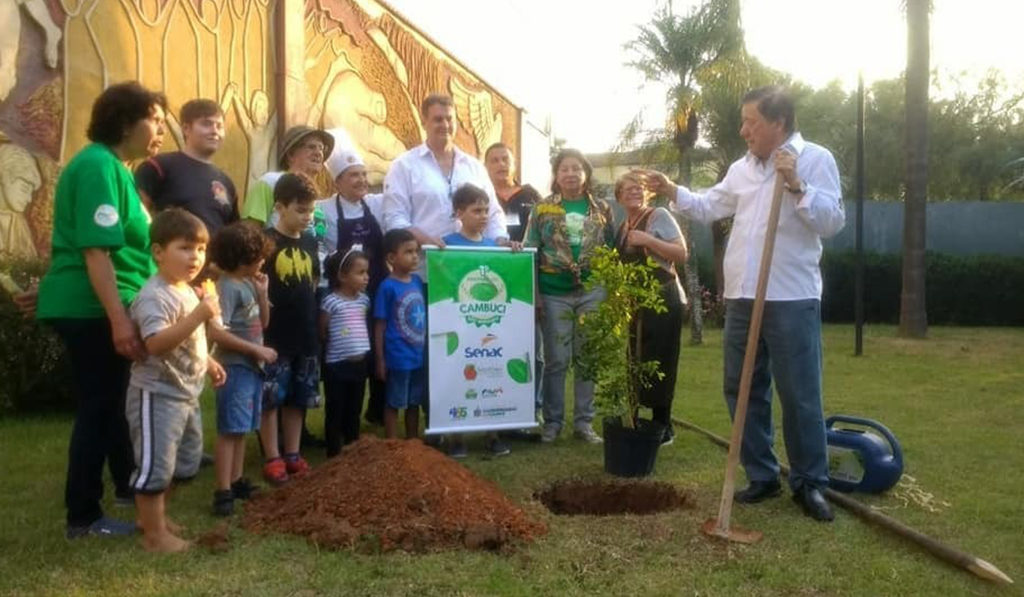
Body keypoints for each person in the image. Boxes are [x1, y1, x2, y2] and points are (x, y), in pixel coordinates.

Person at [640, 86, 846, 522]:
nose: (743, 129)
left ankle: (810, 483)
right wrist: (672, 189)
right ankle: (762, 475)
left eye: (751, 121)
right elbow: (710, 206)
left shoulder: (815, 159)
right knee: (741, 386)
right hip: (742, 294)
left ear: (779, 122)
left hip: (790, 295)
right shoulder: (742, 168)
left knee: (800, 393)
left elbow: (831, 222)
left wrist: (795, 184)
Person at [35, 81, 166, 539]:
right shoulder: (96, 166)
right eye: (155, 120)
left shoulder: (114, 168)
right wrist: (119, 319)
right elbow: (94, 251)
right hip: (95, 307)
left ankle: (128, 485)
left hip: (94, 300)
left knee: (113, 403)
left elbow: (78, 243)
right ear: (126, 121)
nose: (161, 131)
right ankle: (84, 516)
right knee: (100, 405)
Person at [382, 94, 508, 447]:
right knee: (430, 351)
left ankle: (475, 419)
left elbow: (494, 214)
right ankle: (435, 421)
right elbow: (395, 219)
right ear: (425, 121)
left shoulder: (473, 166)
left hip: (470, 275)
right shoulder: (405, 166)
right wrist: (434, 244)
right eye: (437, 119)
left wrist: (499, 248)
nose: (445, 124)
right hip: (422, 274)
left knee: (472, 346)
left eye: (450, 118)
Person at [126, 208, 226, 552]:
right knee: (156, 466)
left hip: (186, 393)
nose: (195, 256)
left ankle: (153, 517)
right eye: (185, 248)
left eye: (200, 249)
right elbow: (155, 344)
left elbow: (189, 340)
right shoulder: (155, 295)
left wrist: (208, 361)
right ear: (158, 252)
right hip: (157, 394)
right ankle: (154, 536)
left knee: (184, 462)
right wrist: (201, 313)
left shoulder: (185, 290)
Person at [523, 148, 614, 445]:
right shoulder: (542, 209)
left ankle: (584, 424)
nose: (571, 174)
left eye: (577, 168)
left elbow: (611, 252)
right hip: (553, 293)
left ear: (585, 173)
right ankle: (552, 423)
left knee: (587, 358)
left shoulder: (602, 208)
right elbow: (530, 253)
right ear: (556, 175)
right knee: (557, 360)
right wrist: (535, 294)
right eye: (565, 169)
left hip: (592, 291)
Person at [613, 172, 688, 445]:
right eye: (629, 189)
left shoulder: (659, 216)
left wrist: (647, 240)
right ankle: (635, 417)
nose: (635, 192)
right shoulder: (623, 226)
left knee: (661, 359)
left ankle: (663, 424)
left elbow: (681, 253)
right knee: (635, 358)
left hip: (663, 298)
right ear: (619, 196)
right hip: (636, 301)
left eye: (640, 189)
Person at [207, 221, 276, 516]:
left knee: (243, 427)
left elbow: (264, 323)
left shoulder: (249, 283)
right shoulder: (226, 288)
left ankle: (236, 481)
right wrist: (255, 349)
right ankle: (222, 490)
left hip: (251, 369)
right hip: (234, 367)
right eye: (257, 255)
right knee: (230, 429)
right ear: (242, 256)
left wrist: (262, 293)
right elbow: (216, 333)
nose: (262, 260)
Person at [440, 184, 513, 458]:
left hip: (489, 325)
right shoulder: (446, 245)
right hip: (458, 325)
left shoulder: (494, 246)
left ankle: (492, 435)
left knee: (490, 371)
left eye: (486, 210)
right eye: (476, 210)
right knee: (456, 374)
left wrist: (512, 251)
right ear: (460, 213)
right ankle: (455, 437)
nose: (483, 216)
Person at [318, 139, 387, 427]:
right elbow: (319, 247)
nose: (361, 180)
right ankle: (343, 415)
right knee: (348, 349)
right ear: (337, 182)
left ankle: (377, 409)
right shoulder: (323, 209)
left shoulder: (378, 204)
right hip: (343, 293)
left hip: (376, 286)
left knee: (380, 347)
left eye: (363, 174)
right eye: (353, 175)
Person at [259, 173, 322, 485]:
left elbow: (312, 282)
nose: (307, 217)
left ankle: (293, 453)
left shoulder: (311, 241)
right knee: (272, 399)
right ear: (280, 207)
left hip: (305, 334)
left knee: (298, 398)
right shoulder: (265, 243)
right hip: (275, 336)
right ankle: (272, 455)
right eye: (300, 210)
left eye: (310, 211)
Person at [135, 98, 239, 237]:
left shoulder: (226, 183)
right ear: (186, 129)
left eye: (219, 126)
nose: (215, 131)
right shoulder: (158, 167)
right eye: (206, 124)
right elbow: (135, 220)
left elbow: (232, 234)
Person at [373, 228, 425, 440]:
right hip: (398, 356)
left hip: (418, 354)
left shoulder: (417, 282)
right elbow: (380, 325)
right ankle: (392, 445)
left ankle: (413, 443)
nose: (415, 256)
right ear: (392, 257)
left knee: (413, 402)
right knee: (395, 401)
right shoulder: (387, 287)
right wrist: (380, 359)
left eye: (416, 251)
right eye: (408, 252)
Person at [320, 248, 371, 456]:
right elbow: (322, 329)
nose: (366, 277)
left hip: (359, 364)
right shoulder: (331, 301)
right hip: (337, 364)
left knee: (354, 407)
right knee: (336, 408)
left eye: (367, 272)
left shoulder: (364, 300)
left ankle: (352, 446)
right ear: (342, 276)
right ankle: (333, 450)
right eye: (360, 273)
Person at [240, 125, 334, 226]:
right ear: (290, 155)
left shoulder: (316, 195)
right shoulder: (270, 182)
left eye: (321, 148)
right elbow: (250, 230)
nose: (318, 153)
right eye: (311, 147)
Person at [484, 142, 541, 243]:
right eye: (494, 161)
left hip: (526, 255)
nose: (501, 164)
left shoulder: (530, 194)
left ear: (514, 164)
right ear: (485, 166)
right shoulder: (481, 196)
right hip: (490, 255)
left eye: (505, 159)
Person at [0, 143, 42, 258]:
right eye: (24, 189)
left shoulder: (20, 226)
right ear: (6, 177)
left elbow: (30, 267)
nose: (29, 199)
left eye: (31, 193)